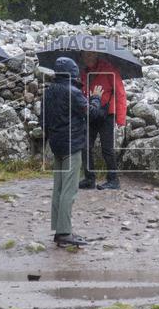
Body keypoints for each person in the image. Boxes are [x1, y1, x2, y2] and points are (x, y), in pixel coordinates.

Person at [42, 57, 105, 247]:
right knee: (69, 189)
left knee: (59, 188)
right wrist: (95, 98)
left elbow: (42, 120)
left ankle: (59, 229)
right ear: (73, 72)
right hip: (72, 145)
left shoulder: (48, 92)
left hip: (56, 144)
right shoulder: (74, 92)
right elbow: (93, 114)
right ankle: (65, 233)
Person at [79, 51, 127, 190]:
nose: (88, 58)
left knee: (107, 149)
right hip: (90, 113)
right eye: (85, 55)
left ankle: (113, 180)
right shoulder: (83, 73)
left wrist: (120, 119)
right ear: (81, 57)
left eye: (91, 55)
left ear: (96, 55)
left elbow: (120, 93)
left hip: (107, 115)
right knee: (85, 147)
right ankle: (89, 179)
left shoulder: (109, 69)